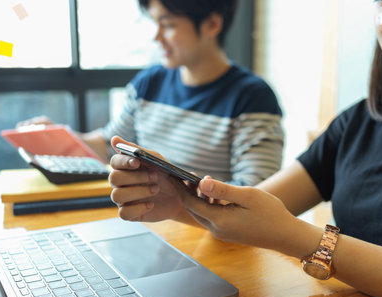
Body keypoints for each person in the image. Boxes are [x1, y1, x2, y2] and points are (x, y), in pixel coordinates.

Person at [108, 0, 382, 297]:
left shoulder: (249, 94)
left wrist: (300, 238)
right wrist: (176, 201)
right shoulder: (360, 121)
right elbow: (249, 211)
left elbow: (280, 228)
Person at [18, 0, 284, 186]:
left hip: (211, 238)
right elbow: (111, 145)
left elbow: (255, 193)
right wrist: (57, 136)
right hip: (152, 225)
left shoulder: (252, 98)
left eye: (167, 24)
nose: (156, 37)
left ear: (212, 24)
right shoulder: (149, 83)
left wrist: (174, 194)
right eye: (154, 23)